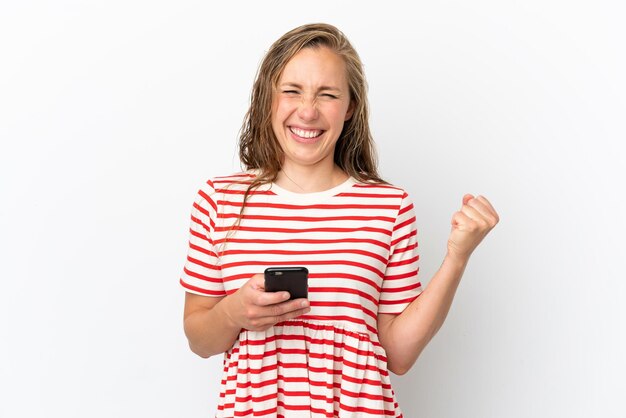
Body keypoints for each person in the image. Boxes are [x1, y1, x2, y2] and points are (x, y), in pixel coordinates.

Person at [180, 23, 499, 418]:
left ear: (349, 107)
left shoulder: (389, 206)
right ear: (268, 98)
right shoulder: (219, 200)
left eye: (327, 94)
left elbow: (398, 355)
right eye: (292, 90)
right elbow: (199, 339)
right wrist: (233, 313)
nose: (308, 111)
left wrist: (457, 257)